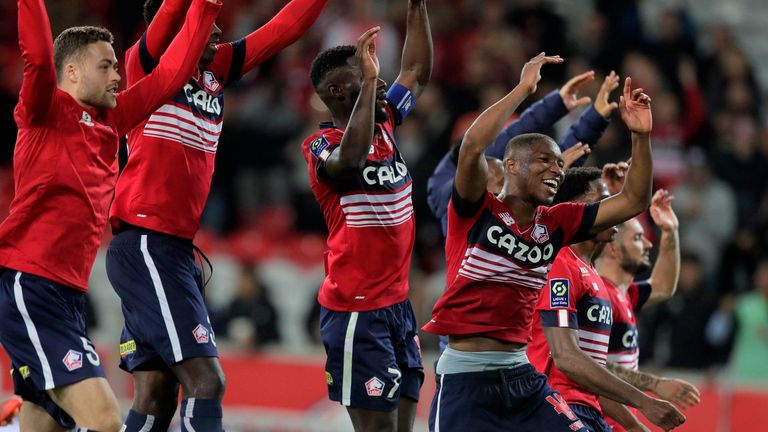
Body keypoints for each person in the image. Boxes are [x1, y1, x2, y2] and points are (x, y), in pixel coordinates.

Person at [424, 50, 684, 431]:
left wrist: (640, 137)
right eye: (544, 161)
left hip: (521, 375)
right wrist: (522, 91)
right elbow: (472, 149)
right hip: (466, 378)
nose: (555, 170)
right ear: (511, 166)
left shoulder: (557, 223)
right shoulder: (474, 211)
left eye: (560, 165)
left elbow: (632, 201)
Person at [105, 0, 328, 430]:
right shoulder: (144, 61)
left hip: (171, 249)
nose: (217, 29)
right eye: (207, 22)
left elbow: (285, 27)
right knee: (207, 382)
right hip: (147, 242)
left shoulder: (217, 70)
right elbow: (174, 15)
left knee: (156, 395)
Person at [0, 0, 221, 430]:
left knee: (45, 423)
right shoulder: (43, 110)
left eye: (117, 66)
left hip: (68, 295)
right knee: (103, 419)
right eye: (106, 66)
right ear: (73, 73)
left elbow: (171, 75)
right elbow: (40, 58)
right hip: (32, 285)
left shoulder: (111, 119)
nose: (118, 75)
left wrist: (206, 6)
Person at [301, 1, 432, 429]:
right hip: (356, 311)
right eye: (366, 80)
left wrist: (416, 7)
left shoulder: (385, 123)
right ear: (339, 91)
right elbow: (350, 162)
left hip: (397, 306)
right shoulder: (321, 146)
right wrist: (373, 78)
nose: (380, 85)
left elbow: (415, 71)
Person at [527, 168, 686, 432]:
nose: (612, 208)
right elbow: (567, 357)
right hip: (555, 405)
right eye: (602, 201)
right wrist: (647, 398)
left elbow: (592, 374)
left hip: (590, 409)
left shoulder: (593, 276)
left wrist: (633, 423)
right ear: (577, 209)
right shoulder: (560, 264)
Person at [427, 70, 621, 236]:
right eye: (500, 186)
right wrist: (558, 174)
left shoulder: (502, 186)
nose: (508, 188)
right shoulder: (463, 214)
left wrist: (589, 115)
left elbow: (519, 137)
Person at [595, 185, 700, 430]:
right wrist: (654, 383)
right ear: (611, 247)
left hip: (614, 421)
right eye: (637, 238)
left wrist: (669, 231)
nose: (648, 245)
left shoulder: (623, 293)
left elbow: (663, 286)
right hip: (595, 420)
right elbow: (588, 364)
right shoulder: (599, 294)